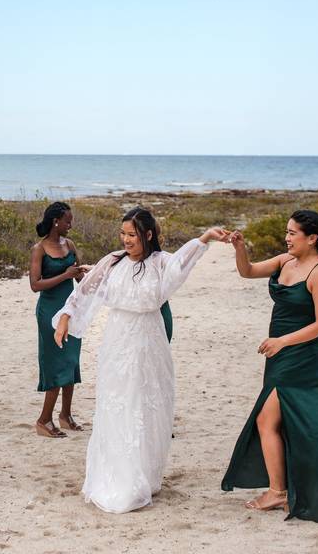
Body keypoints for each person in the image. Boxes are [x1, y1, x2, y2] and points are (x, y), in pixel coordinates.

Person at [53, 208, 228, 513]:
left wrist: (206, 237)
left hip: (148, 340)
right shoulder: (114, 260)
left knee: (147, 403)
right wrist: (67, 316)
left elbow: (183, 264)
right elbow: (86, 288)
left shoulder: (161, 263)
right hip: (117, 339)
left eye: (132, 234)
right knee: (116, 402)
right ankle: (116, 475)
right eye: (123, 233)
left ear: (148, 235)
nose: (126, 239)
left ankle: (144, 474)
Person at [221, 209, 318, 526]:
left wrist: (282, 342)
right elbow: (247, 271)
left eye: (293, 233)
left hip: (303, 357)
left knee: (269, 418)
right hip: (280, 354)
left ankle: (278, 490)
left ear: (313, 238)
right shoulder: (285, 261)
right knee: (274, 420)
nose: (287, 238)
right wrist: (240, 247)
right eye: (286, 232)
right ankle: (281, 488)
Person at [29, 202, 87, 438]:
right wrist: (65, 275)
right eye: (67, 221)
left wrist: (86, 276)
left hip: (71, 310)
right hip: (49, 311)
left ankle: (65, 415)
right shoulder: (39, 249)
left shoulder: (70, 244)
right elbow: (35, 285)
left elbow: (78, 277)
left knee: (71, 362)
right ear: (56, 221)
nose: (70, 225)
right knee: (55, 364)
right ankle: (44, 420)